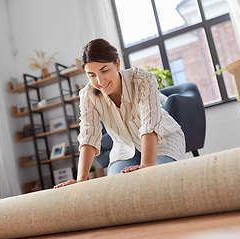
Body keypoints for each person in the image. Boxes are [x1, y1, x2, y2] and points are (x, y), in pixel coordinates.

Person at [54, 38, 185, 188]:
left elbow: (150, 125)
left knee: (157, 181)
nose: (100, 80)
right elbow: (88, 136)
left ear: (117, 64)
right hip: (124, 147)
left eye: (104, 70)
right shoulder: (87, 95)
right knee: (115, 189)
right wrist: (80, 181)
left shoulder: (142, 79)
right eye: (92, 75)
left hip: (162, 139)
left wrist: (147, 166)